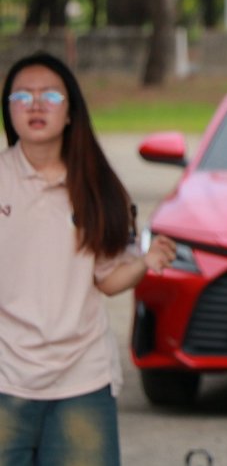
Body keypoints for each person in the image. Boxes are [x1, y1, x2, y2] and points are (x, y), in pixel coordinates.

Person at [0, 52, 176, 466]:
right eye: (22, 95)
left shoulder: (99, 188)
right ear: (9, 110)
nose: (36, 104)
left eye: (50, 96)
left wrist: (145, 262)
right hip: (5, 377)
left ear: (70, 112)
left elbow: (107, 280)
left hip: (81, 380)